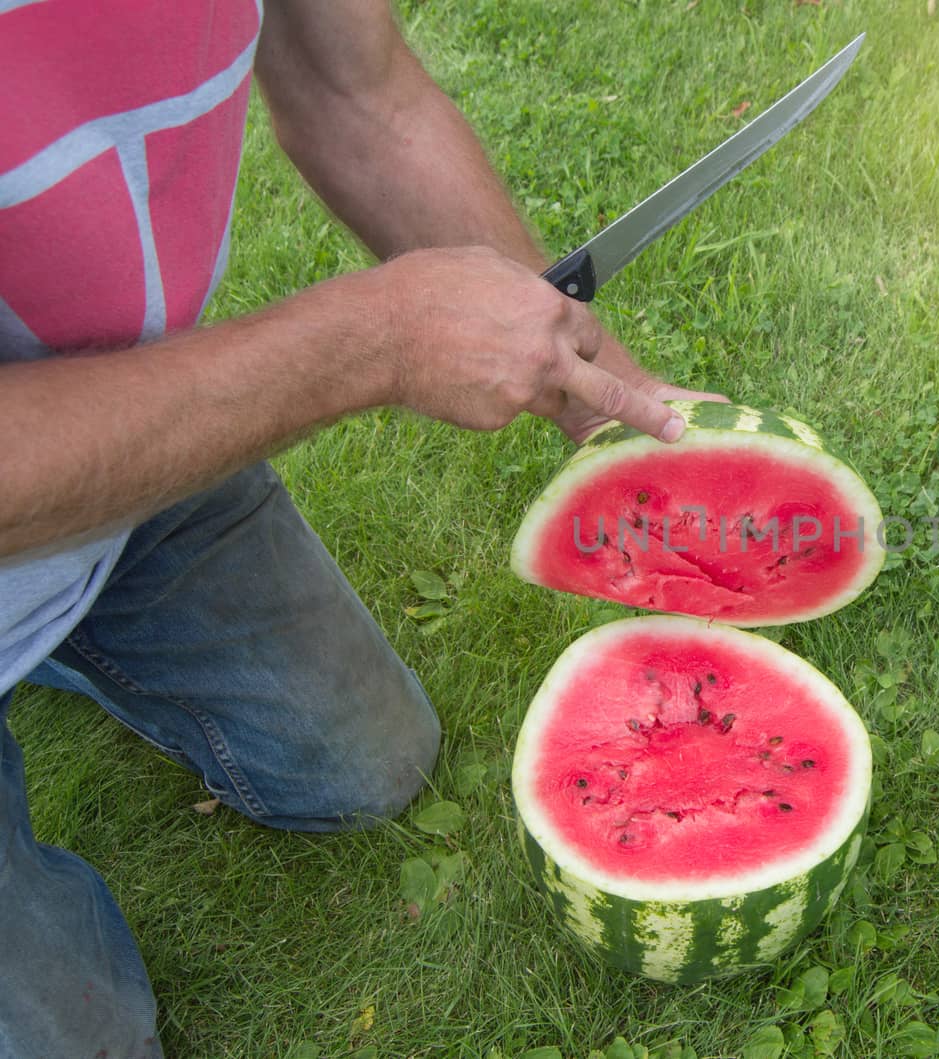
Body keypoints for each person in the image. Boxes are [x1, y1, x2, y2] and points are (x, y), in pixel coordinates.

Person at [0, 3, 718, 1054]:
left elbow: (359, 90)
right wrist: (373, 343)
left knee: (366, 768)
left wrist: (598, 393)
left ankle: (60, 632)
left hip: (124, 418)